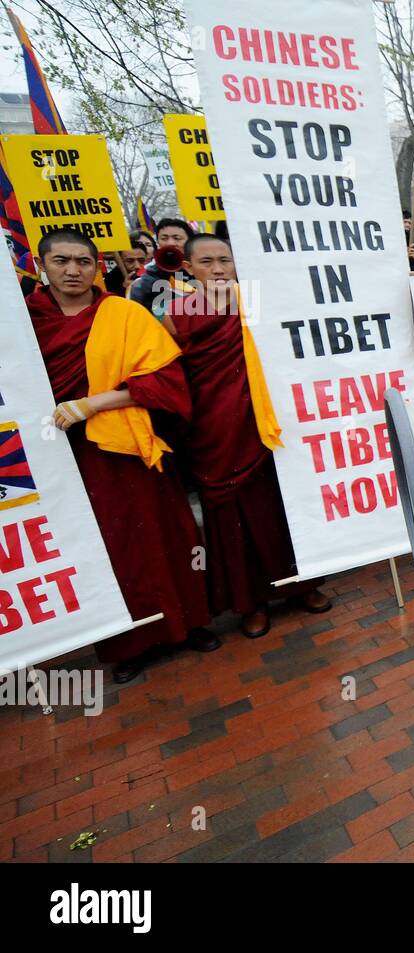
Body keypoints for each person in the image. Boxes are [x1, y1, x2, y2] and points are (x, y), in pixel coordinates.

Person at [27, 229, 215, 683]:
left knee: (167, 536)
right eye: (61, 261)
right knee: (105, 550)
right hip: (65, 454)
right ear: (41, 266)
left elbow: (168, 383)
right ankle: (126, 642)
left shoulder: (123, 313)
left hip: (131, 445)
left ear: (97, 266)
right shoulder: (22, 322)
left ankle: (190, 623)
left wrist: (94, 403)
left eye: (83, 262)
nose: (73, 270)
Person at [168, 235, 332, 638]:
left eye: (226, 259)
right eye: (207, 261)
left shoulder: (258, 302)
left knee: (281, 509)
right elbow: (175, 378)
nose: (220, 268)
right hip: (214, 429)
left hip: (267, 422)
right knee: (231, 521)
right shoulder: (176, 315)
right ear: (188, 268)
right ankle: (250, 603)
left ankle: (301, 586)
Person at [128, 217, 195, 320]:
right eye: (164, 238)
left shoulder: (201, 270)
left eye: (177, 238)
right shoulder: (146, 276)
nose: (170, 243)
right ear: (158, 242)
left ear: (189, 242)